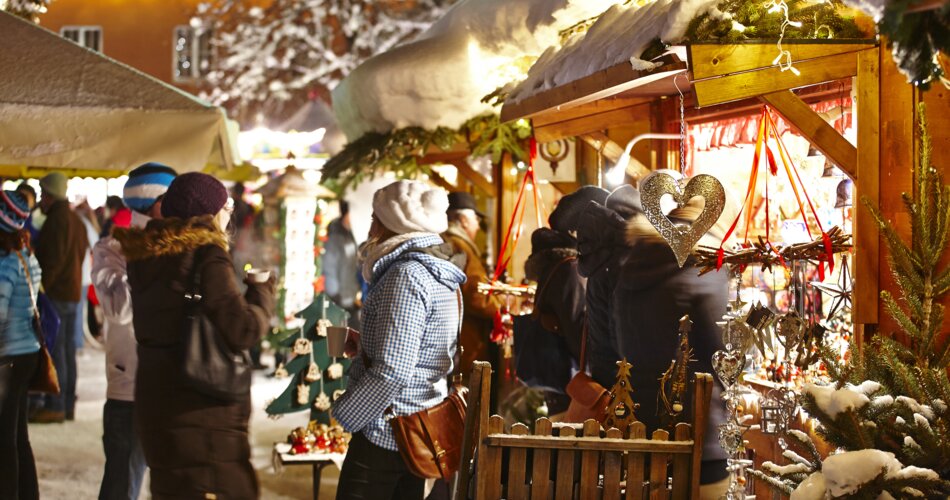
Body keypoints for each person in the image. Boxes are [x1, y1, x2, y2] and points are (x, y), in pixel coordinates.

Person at [114, 172, 275, 499]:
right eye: (226, 206)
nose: (229, 213)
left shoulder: (145, 255)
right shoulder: (206, 254)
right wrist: (262, 293)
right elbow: (242, 329)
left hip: (156, 401)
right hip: (201, 411)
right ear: (209, 212)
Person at [333, 180, 466, 500]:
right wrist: (366, 343)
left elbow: (393, 369)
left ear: (393, 222)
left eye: (376, 217)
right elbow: (418, 346)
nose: (371, 225)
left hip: (388, 432)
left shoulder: (407, 275)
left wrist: (345, 412)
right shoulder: (435, 270)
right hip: (414, 425)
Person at [612, 190, 738, 499]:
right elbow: (722, 350)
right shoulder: (704, 271)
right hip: (698, 431)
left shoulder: (630, 268)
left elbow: (620, 346)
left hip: (640, 427)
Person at [92, 163, 177, 500]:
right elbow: (119, 310)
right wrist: (150, 252)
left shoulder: (182, 246)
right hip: (131, 388)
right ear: (156, 204)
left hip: (175, 384)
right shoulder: (112, 248)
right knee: (121, 485)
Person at [31, 172, 89, 423]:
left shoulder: (57, 221)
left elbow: (52, 263)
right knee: (66, 352)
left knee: (56, 353)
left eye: (43, 195)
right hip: (72, 293)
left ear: (50, 196)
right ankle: (66, 405)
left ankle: (56, 405)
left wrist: (39, 292)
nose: (41, 201)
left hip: (56, 295)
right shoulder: (76, 220)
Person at [576, 184, 642, 389]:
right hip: (622, 380)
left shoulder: (601, 255)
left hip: (604, 371)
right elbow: (621, 334)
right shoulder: (622, 261)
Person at [0, 191, 43, 500]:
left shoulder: (4, 264)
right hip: (28, 352)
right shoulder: (26, 256)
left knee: (4, 440)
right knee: (18, 435)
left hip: (8, 358)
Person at [442, 192, 500, 377]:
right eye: (475, 219)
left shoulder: (444, 241)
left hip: (449, 335)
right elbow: (475, 295)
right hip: (465, 337)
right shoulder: (460, 246)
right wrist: (499, 305)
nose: (477, 225)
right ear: (463, 220)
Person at [322, 200, 361, 329]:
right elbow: (329, 267)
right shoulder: (335, 236)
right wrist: (335, 294)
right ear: (347, 213)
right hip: (338, 298)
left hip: (348, 295)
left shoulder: (350, 234)